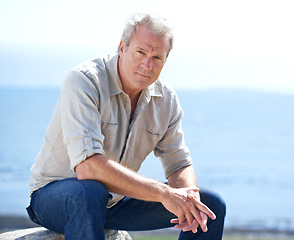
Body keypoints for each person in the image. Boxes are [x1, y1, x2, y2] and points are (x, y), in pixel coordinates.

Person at [26, 12, 226, 240]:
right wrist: (163, 193)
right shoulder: (84, 81)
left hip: (115, 202)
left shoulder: (166, 99)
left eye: (157, 58)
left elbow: (179, 164)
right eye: (141, 52)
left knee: (209, 208)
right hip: (56, 197)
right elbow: (87, 168)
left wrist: (188, 197)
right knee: (90, 191)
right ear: (122, 48)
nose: (147, 65)